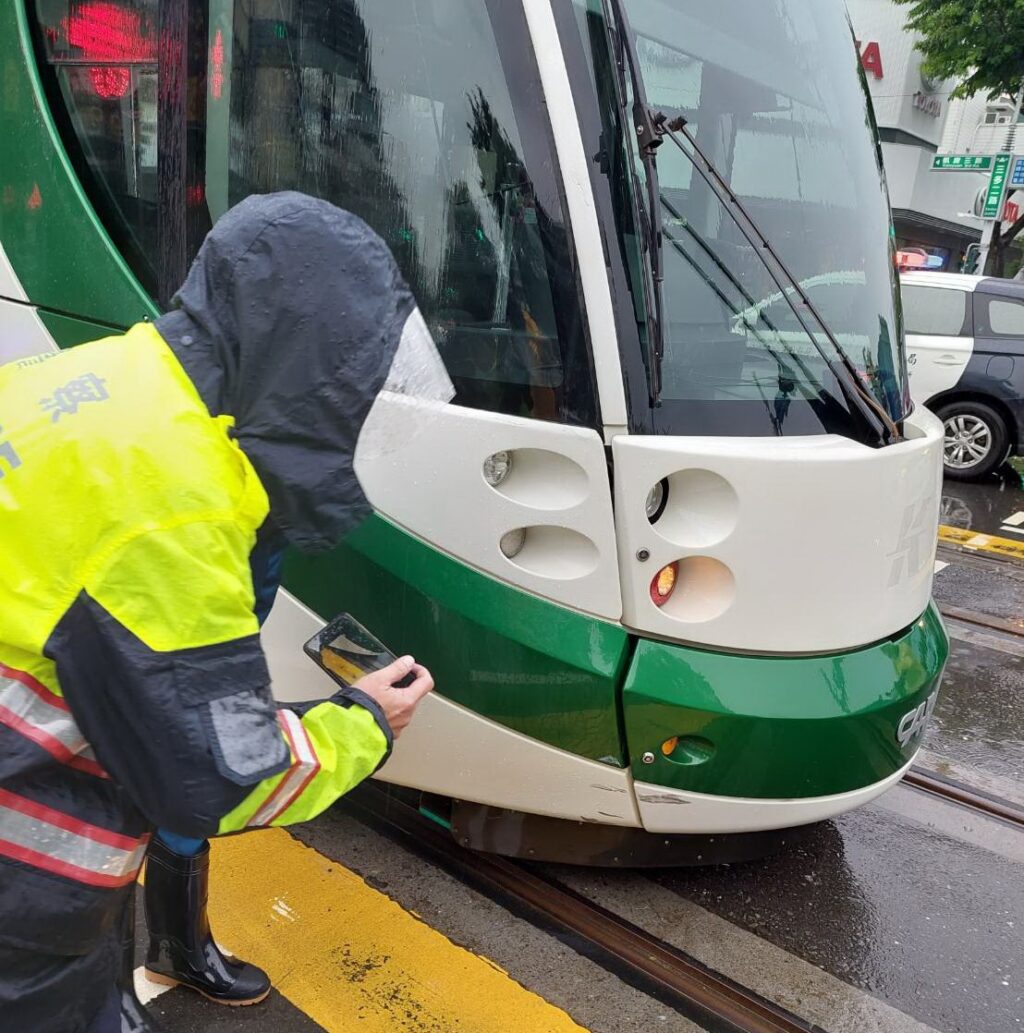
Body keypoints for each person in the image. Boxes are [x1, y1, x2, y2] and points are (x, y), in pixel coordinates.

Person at [0, 192, 451, 1032]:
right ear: (302, 356)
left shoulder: (98, 379)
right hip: (25, 886)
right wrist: (365, 722)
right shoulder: (173, 498)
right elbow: (217, 774)